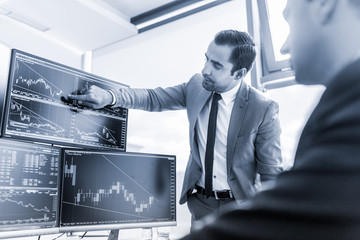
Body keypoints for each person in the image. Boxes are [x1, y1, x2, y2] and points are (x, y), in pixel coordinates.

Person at [180, 0, 360, 239]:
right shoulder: (344, 99)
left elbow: (294, 215)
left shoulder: (350, 105)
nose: (284, 48)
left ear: (324, 4)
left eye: (289, 22)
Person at [66, 30, 283, 228]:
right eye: (206, 59)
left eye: (217, 65)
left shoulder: (263, 108)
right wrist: (110, 97)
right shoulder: (197, 85)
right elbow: (153, 98)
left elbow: (270, 172)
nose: (205, 69)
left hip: (241, 207)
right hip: (201, 203)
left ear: (238, 73)